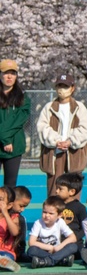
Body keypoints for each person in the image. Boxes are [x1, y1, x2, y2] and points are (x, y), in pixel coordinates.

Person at [36, 72, 87, 195]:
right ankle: (53, 214)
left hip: (74, 154)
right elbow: (42, 127)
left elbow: (84, 129)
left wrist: (71, 141)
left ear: (72, 88)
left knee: (73, 190)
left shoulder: (80, 107)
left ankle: (73, 214)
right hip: (54, 154)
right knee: (54, 191)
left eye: (65, 86)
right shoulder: (48, 107)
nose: (62, 90)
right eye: (59, 86)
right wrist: (56, 141)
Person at [0, 59, 30, 187]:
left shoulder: (23, 98)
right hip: (6, 142)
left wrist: (6, 138)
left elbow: (17, 122)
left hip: (14, 147)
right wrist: (5, 139)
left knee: (10, 186)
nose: (9, 76)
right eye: (6, 73)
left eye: (13, 73)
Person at [27, 197, 79, 268]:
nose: (47, 215)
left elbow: (73, 237)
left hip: (58, 250)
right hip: (43, 251)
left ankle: (47, 261)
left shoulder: (60, 222)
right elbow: (31, 242)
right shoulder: (38, 223)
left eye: (51, 213)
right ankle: (61, 261)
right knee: (31, 250)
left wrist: (59, 247)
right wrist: (49, 247)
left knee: (73, 246)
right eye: (44, 212)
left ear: (59, 215)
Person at [52, 172, 87, 249]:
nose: (56, 191)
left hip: (73, 243)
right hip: (56, 241)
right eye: (56, 188)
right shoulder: (54, 205)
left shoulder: (79, 208)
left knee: (73, 248)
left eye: (60, 189)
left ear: (72, 191)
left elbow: (85, 227)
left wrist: (74, 237)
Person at [0, 186, 22, 272]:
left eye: (0, 199)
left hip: (5, 252)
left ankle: (4, 261)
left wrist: (5, 213)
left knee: (6, 256)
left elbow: (15, 232)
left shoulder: (13, 217)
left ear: (9, 205)